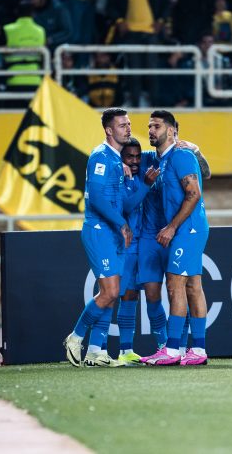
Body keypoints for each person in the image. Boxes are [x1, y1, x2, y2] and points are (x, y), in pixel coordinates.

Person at [63, 107, 139, 368]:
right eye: (122, 125)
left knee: (111, 293)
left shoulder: (116, 160)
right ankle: (75, 337)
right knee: (110, 291)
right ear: (108, 130)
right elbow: (96, 198)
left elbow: (120, 200)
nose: (128, 129)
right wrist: (121, 224)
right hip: (99, 231)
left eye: (128, 124)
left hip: (112, 233)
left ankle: (96, 351)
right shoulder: (100, 156)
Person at [141, 110, 210, 366]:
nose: (151, 130)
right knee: (192, 286)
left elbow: (194, 193)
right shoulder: (163, 159)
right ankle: (198, 349)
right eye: (149, 126)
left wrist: (171, 227)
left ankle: (172, 349)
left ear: (171, 131)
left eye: (156, 126)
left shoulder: (181, 155)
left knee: (174, 284)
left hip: (188, 229)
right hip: (188, 228)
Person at [86, 137, 159, 366]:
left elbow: (160, 152)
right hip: (123, 243)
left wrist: (185, 144)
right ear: (121, 157)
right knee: (112, 295)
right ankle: (98, 348)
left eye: (138, 157)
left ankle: (126, 350)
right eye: (130, 157)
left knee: (131, 296)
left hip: (139, 244)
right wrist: (146, 185)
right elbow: (127, 206)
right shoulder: (120, 177)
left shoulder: (139, 168)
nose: (135, 161)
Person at [3, 0, 45, 107]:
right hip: (35, 80)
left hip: (13, 80)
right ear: (33, 13)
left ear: (17, 12)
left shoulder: (7, 29)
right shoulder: (41, 31)